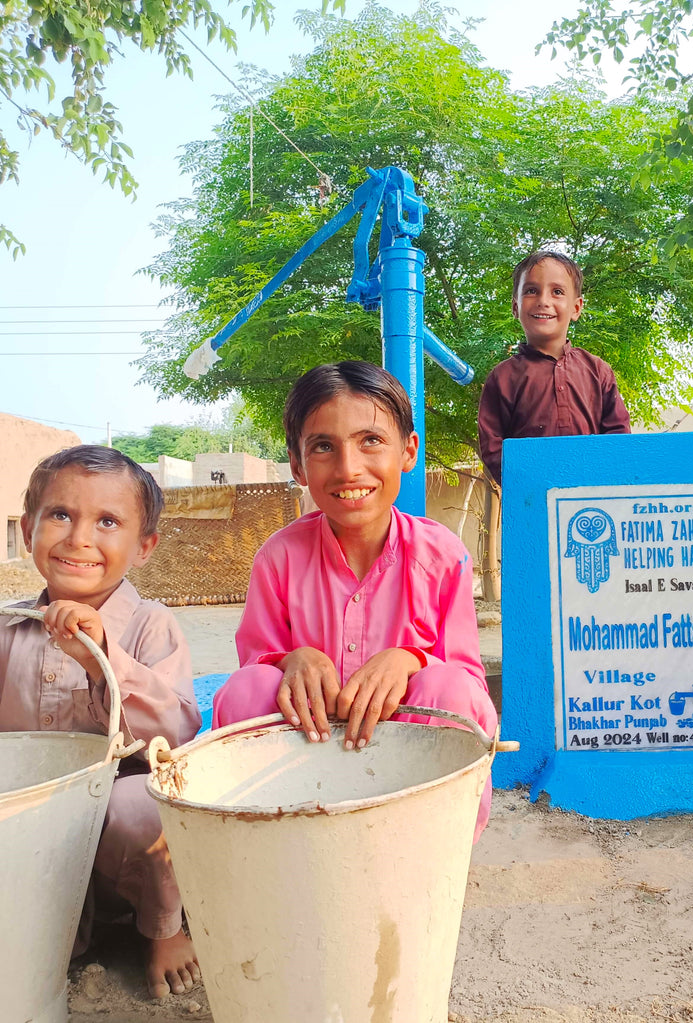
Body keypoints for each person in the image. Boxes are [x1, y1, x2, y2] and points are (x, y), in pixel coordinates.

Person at [212, 361, 497, 839]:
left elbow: (467, 684)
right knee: (245, 690)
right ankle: (266, 840)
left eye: (371, 441)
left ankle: (435, 841)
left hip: (407, 768)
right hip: (304, 760)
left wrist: (410, 660)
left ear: (408, 451)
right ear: (299, 465)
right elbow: (255, 663)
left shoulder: (442, 556)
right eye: (323, 447)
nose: (348, 468)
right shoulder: (278, 558)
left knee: (450, 690)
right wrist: (290, 660)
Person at [0, 445, 201, 997]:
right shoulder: (9, 629)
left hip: (124, 851)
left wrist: (100, 656)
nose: (79, 538)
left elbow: (176, 736)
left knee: (141, 803)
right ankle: (56, 931)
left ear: (143, 547)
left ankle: (163, 928)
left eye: (107, 522)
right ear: (30, 526)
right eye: (60, 515)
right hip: (30, 841)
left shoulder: (151, 627)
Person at [477, 250, 630, 485]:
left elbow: (618, 439)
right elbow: (493, 447)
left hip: (591, 497)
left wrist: (601, 481)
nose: (543, 301)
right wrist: (526, 483)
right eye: (531, 291)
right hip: (530, 499)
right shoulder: (502, 378)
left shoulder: (598, 371)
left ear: (576, 308)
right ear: (516, 307)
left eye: (557, 292)